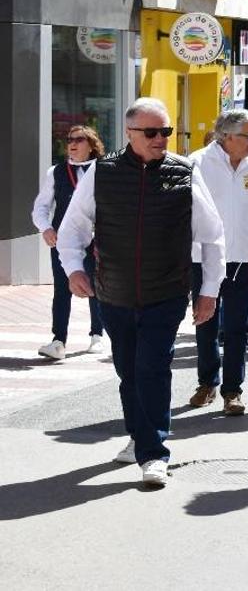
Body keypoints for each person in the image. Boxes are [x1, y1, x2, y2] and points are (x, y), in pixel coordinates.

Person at [56, 98, 225, 487]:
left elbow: (213, 237)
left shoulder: (186, 173)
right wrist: (73, 269)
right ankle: (139, 436)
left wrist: (209, 291)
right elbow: (73, 229)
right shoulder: (102, 172)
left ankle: (154, 453)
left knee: (152, 368)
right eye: (151, 132)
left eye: (166, 131)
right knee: (128, 371)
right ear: (130, 134)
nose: (161, 138)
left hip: (165, 292)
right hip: (113, 292)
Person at [187, 110, 248, 416]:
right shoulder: (197, 162)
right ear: (228, 136)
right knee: (205, 322)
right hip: (203, 256)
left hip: (240, 256)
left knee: (238, 325)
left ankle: (232, 390)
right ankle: (207, 382)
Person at [31, 125, 106, 360]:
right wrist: (46, 228)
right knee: (62, 289)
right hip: (65, 241)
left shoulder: (104, 170)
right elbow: (41, 207)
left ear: (91, 144)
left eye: (79, 139)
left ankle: (97, 335)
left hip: (97, 240)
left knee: (96, 287)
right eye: (69, 139)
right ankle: (58, 341)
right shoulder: (56, 171)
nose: (72, 143)